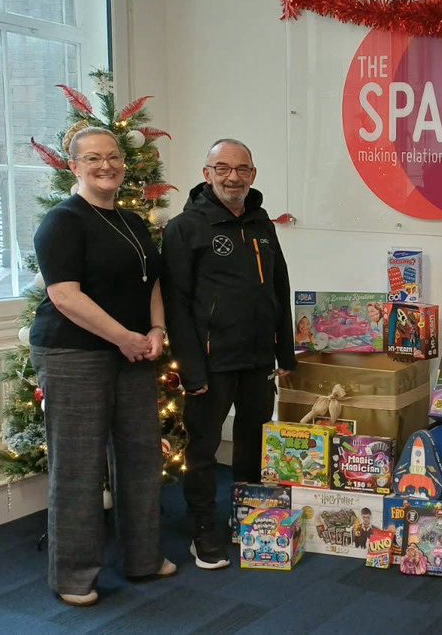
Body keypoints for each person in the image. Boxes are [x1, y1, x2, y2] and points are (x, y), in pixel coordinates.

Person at [30, 127, 174, 606]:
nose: (106, 165)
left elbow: (152, 281)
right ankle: (74, 576)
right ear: (74, 166)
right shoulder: (62, 222)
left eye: (113, 157)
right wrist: (125, 338)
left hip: (131, 351)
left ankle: (143, 559)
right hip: (73, 353)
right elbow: (64, 296)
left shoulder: (132, 222)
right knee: (78, 467)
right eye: (93, 158)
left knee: (141, 457)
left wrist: (155, 331)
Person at [162, 139, 296, 570]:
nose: (232, 177)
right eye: (222, 168)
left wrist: (285, 354)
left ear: (253, 175)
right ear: (206, 174)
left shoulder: (262, 224)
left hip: (258, 360)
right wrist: (190, 369)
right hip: (210, 362)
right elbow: (177, 304)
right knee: (202, 449)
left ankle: (249, 519)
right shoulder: (184, 228)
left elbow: (280, 289)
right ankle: (204, 528)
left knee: (253, 443)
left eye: (241, 169)